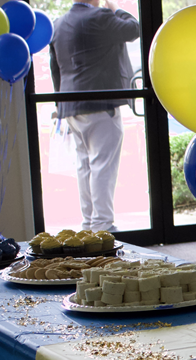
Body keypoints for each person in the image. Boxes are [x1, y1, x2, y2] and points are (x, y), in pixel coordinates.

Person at [49, 0, 139, 233]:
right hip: (100, 104)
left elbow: (55, 68)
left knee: (84, 166)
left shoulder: (58, 24)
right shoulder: (100, 16)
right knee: (102, 165)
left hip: (71, 106)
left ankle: (90, 223)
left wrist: (60, 104)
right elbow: (133, 29)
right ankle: (102, 225)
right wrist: (115, 8)